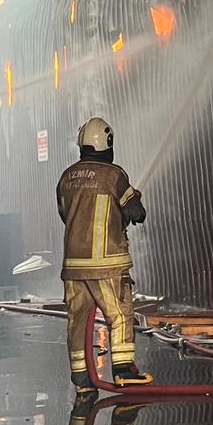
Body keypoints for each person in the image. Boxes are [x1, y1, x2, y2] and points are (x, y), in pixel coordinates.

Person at [56, 117, 150, 393]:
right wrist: (135, 203)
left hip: (73, 267)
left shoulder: (66, 177)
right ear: (108, 143)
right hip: (107, 265)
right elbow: (136, 213)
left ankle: (82, 378)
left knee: (77, 320)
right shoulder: (113, 175)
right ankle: (124, 370)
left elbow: (65, 215)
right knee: (119, 315)